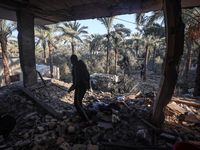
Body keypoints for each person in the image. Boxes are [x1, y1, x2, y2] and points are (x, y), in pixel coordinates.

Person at [68, 54, 90, 125]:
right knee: (79, 101)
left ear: (72, 61)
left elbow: (76, 80)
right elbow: (88, 75)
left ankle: (86, 120)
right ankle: (80, 111)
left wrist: (71, 88)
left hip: (80, 86)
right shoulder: (82, 65)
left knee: (76, 103)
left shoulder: (76, 67)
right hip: (84, 85)